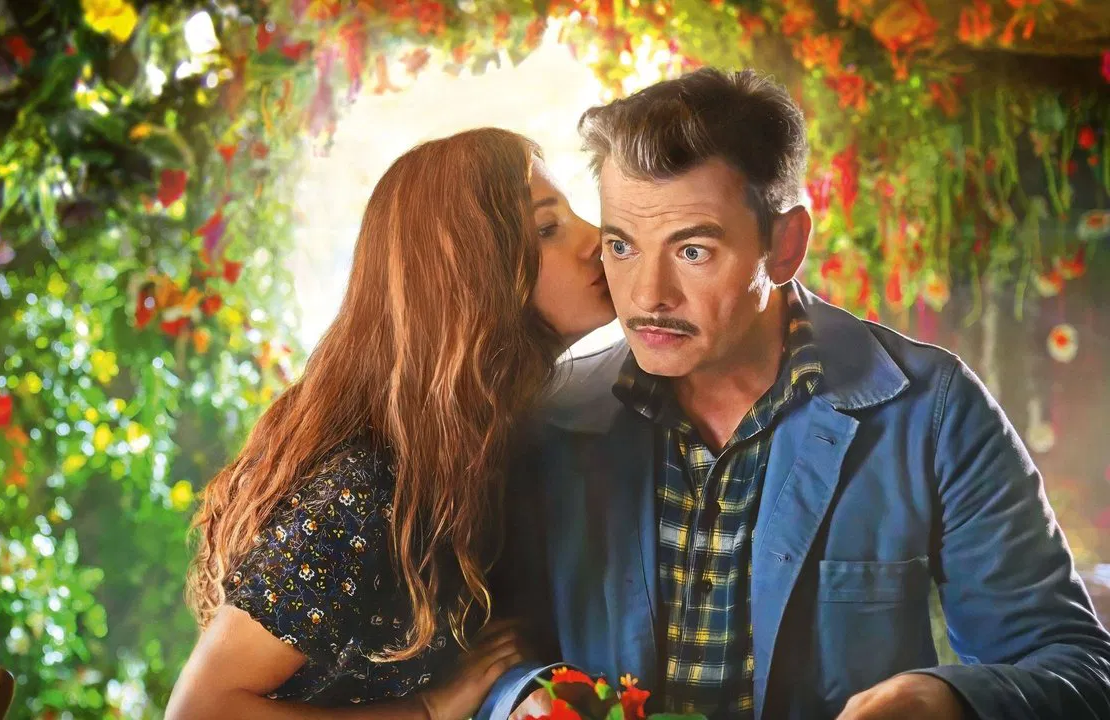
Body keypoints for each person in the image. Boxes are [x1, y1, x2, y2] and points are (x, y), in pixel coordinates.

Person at [479, 68, 1110, 720]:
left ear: (785, 246)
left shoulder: (933, 410)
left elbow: (1077, 668)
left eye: (692, 251)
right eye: (621, 246)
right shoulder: (551, 419)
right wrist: (520, 699)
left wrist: (946, 699)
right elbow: (491, 661)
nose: (646, 296)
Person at [165, 127, 616, 720]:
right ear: (469, 275)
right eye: (547, 228)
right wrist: (430, 709)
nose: (596, 239)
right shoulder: (366, 486)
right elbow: (199, 711)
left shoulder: (491, 448)